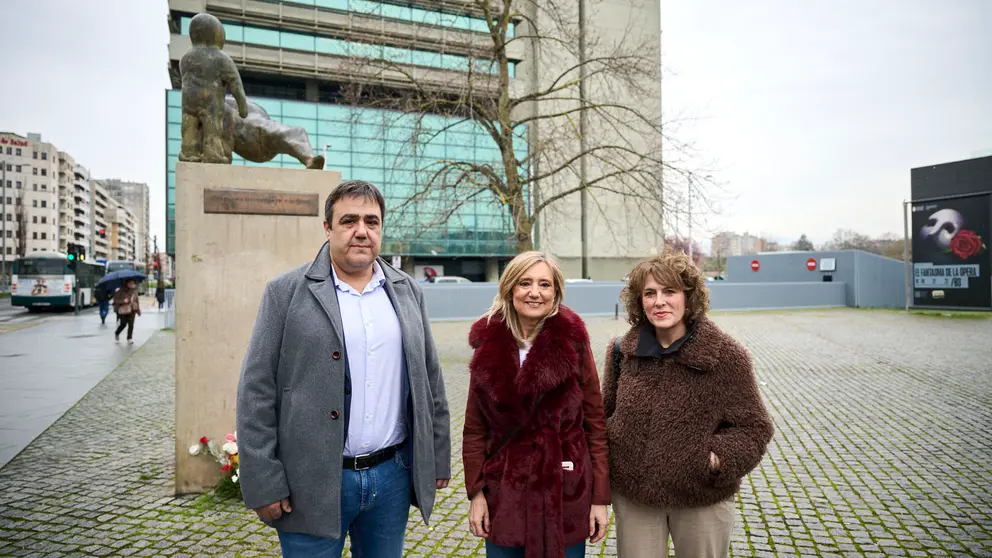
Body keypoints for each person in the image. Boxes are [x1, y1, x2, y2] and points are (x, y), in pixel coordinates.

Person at [236, 180, 451, 558]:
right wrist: (264, 481)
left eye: (372, 221)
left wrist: (436, 455)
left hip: (391, 478)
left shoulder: (407, 292)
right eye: (349, 220)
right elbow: (256, 390)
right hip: (311, 482)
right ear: (327, 227)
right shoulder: (285, 292)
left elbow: (430, 380)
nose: (361, 231)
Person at [604, 252, 774, 558]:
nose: (660, 302)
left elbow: (754, 428)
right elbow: (605, 414)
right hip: (635, 497)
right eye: (650, 293)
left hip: (700, 498)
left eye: (670, 291)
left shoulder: (726, 357)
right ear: (639, 301)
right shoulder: (622, 351)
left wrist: (714, 460)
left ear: (689, 297)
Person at [463, 251, 610, 558]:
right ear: (509, 288)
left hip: (564, 487)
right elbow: (475, 429)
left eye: (544, 284)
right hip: (504, 492)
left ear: (556, 291)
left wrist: (599, 498)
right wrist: (476, 493)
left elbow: (595, 422)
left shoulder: (573, 341)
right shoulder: (488, 343)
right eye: (525, 283)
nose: (534, 292)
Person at [112, 280, 141, 344]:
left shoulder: (134, 291)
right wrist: (123, 301)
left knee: (131, 324)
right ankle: (117, 333)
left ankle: (129, 338)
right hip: (123, 310)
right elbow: (115, 301)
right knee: (123, 324)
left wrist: (138, 310)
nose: (132, 284)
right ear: (126, 284)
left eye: (133, 283)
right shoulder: (120, 291)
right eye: (130, 283)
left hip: (132, 310)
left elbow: (137, 301)